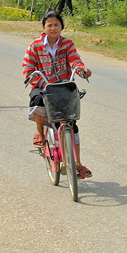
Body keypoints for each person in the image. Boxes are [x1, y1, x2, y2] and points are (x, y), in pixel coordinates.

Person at [22, 11, 92, 177]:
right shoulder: (35, 46)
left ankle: (77, 163)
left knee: (72, 125)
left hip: (63, 86)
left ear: (61, 27)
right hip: (43, 85)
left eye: (56, 25)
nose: (53, 28)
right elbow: (28, 69)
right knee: (37, 98)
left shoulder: (67, 44)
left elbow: (75, 60)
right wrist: (42, 82)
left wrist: (82, 71)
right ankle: (40, 132)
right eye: (49, 25)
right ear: (44, 27)